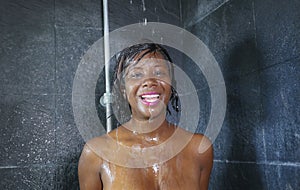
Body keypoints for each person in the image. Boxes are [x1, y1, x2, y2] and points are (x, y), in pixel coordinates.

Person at [78, 43, 213, 190]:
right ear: (123, 89)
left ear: (172, 85)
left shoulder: (199, 148)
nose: (149, 82)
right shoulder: (96, 153)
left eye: (159, 73)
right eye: (137, 74)